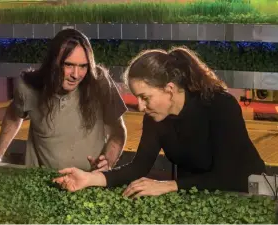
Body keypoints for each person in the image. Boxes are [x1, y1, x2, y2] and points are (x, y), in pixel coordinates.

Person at [52, 46, 266, 197]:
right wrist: (89, 179)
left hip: (247, 191)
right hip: (195, 193)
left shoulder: (220, 105)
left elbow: (227, 176)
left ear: (170, 89)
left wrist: (168, 185)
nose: (141, 106)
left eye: (145, 97)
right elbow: (138, 167)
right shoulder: (155, 118)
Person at [0, 29, 127, 172]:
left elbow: (118, 131)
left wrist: (107, 163)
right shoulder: (29, 88)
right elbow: (13, 115)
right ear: (53, 62)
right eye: (69, 65)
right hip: (42, 180)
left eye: (83, 66)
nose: (76, 75)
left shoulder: (99, 82)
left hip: (89, 181)